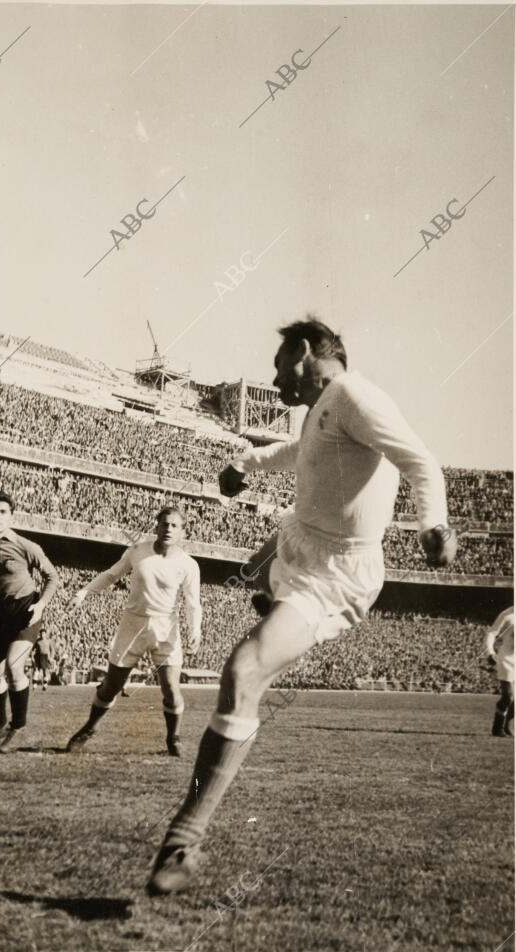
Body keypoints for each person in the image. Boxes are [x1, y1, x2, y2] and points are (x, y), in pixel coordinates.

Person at [147, 317, 457, 894]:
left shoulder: (356, 396)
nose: (275, 379)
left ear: (307, 350)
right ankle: (269, 599)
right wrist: (244, 464)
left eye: (279, 364)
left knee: (244, 671)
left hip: (335, 574)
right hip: (299, 546)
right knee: (253, 580)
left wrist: (432, 525)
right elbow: (298, 452)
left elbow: (421, 461)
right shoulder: (322, 409)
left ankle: (184, 841)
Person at [66, 507, 201, 757]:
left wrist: (195, 630)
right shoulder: (138, 551)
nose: (168, 529)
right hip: (133, 625)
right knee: (112, 686)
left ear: (183, 531)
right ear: (156, 526)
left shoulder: (189, 565)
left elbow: (193, 603)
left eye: (174, 525)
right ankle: (89, 728)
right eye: (164, 523)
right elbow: (111, 575)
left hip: (165, 629)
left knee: (171, 688)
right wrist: (83, 593)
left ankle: (174, 738)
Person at [0, 491, 59, 756]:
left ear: (11, 516)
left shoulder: (26, 546)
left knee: (13, 666)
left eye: (3, 512)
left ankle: (17, 727)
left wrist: (40, 605)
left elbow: (52, 577)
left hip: (24, 613)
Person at [484, 605, 514, 737]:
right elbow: (491, 633)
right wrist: (490, 652)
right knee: (508, 696)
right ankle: (497, 727)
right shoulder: (507, 614)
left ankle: (506, 725)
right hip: (507, 659)